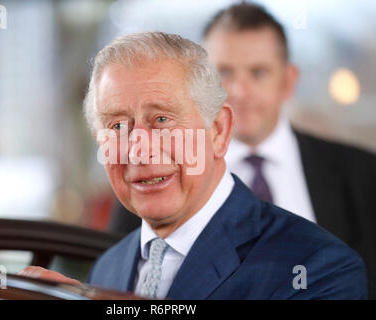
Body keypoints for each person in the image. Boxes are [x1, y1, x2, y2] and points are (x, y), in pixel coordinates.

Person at [19, 31, 367, 299]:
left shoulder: (318, 267)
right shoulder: (108, 266)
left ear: (218, 130)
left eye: (161, 120)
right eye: (118, 127)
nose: (139, 151)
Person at [108, 3, 376, 299]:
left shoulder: (363, 175)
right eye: (223, 73)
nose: (239, 91)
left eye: (258, 73)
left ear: (288, 81)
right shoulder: (154, 177)